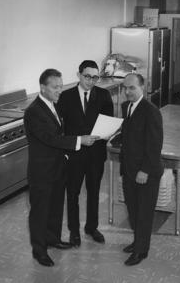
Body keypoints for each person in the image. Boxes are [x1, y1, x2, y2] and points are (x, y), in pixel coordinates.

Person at [24, 69, 99, 267]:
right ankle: (39, 250)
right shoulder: (34, 111)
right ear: (43, 87)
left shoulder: (52, 105)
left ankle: (53, 239)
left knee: (56, 206)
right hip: (42, 171)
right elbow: (50, 138)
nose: (60, 90)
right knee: (40, 211)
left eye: (61, 86)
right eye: (55, 87)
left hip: (57, 167)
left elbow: (57, 134)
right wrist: (79, 140)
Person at [58, 60, 114, 247]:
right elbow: (59, 128)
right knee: (72, 193)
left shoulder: (104, 95)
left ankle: (92, 227)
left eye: (95, 77)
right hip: (73, 155)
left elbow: (109, 123)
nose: (91, 81)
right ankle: (74, 231)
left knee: (94, 192)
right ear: (78, 75)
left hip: (96, 154)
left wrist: (102, 137)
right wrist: (66, 150)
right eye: (87, 76)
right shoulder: (65, 97)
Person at [120, 73, 163, 266]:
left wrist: (144, 170)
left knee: (144, 213)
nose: (127, 92)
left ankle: (141, 251)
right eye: (125, 88)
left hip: (145, 172)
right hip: (129, 169)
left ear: (142, 88)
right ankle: (138, 241)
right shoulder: (126, 107)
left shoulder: (151, 111)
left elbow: (154, 145)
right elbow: (131, 135)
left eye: (132, 88)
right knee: (133, 209)